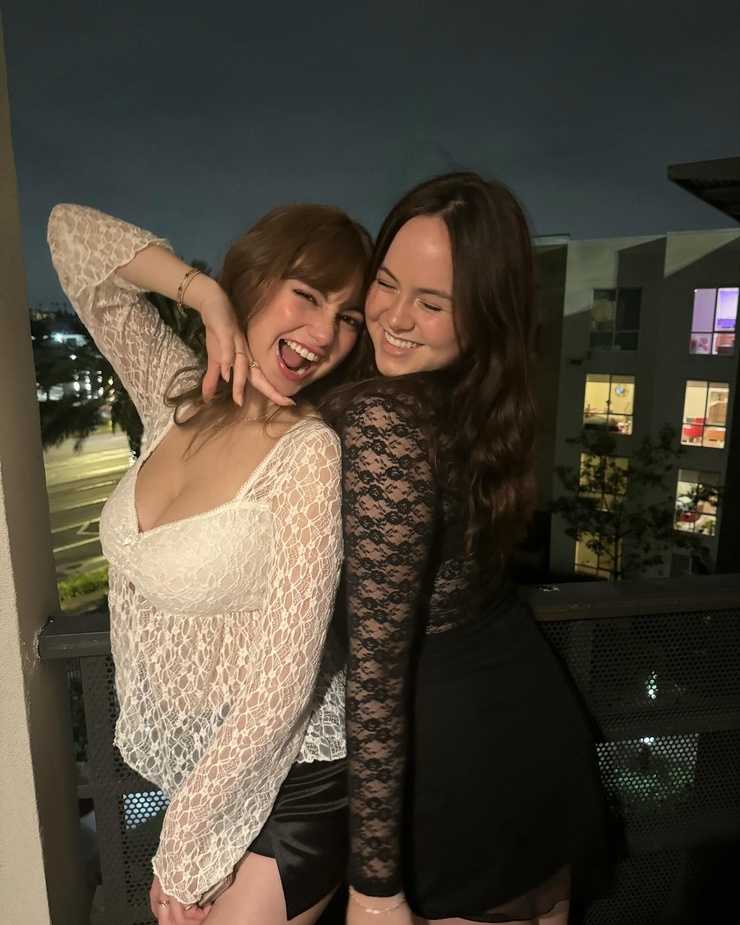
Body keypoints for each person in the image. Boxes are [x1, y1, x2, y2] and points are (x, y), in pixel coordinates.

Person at [48, 200, 370, 925]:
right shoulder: (175, 393)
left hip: (293, 781)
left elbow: (284, 685)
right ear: (257, 280)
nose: (324, 334)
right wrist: (205, 295)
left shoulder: (308, 453)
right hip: (207, 777)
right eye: (308, 295)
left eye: (348, 317)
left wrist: (183, 850)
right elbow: (68, 235)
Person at [326, 173, 605, 925]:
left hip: (455, 775)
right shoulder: (471, 406)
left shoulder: (384, 422)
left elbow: (377, 673)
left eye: (433, 302)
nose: (395, 317)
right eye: (387, 283)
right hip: (532, 737)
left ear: (483, 315)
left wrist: (373, 887)